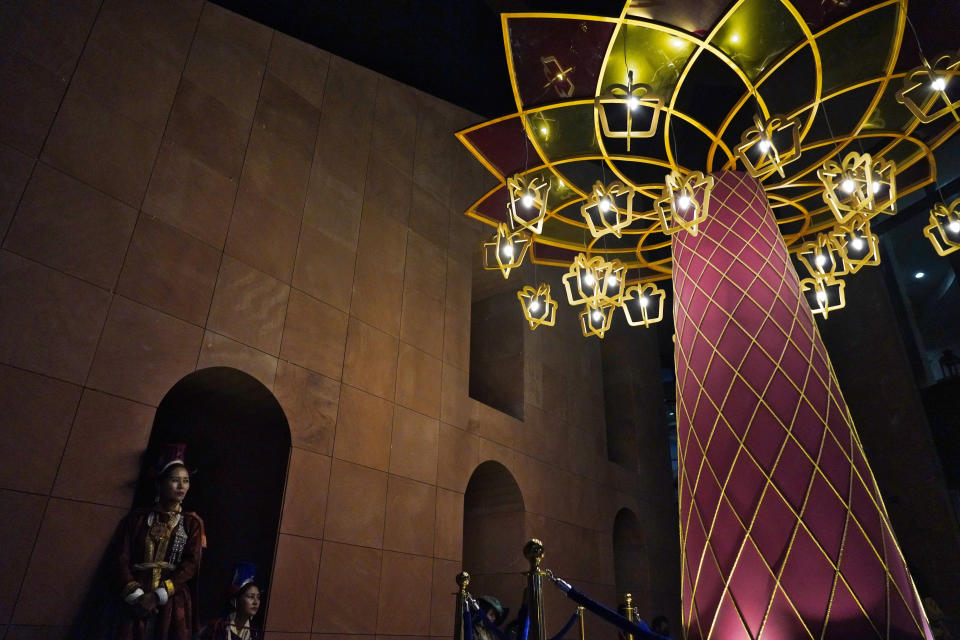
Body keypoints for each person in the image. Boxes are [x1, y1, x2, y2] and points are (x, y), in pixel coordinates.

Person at [108, 444, 205, 640]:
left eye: (185, 481)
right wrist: (136, 596)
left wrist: (158, 595)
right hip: (136, 596)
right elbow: (121, 558)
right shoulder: (137, 519)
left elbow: (191, 564)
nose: (181, 487)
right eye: (175, 480)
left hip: (171, 598)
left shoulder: (191, 523)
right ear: (159, 484)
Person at [200, 562, 263, 640]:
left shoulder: (254, 634)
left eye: (258, 597)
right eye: (251, 597)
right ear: (235, 600)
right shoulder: (217, 627)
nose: (256, 602)